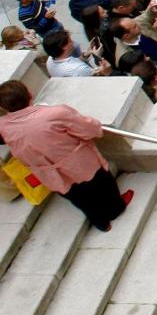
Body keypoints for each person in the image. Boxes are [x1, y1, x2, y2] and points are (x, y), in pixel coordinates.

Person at [0, 81, 135, 231]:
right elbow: (89, 129)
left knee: (79, 199)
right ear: (29, 93)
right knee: (103, 186)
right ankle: (116, 209)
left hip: (48, 173)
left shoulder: (3, 126)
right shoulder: (55, 113)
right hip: (79, 164)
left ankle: (101, 222)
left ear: (3, 107)